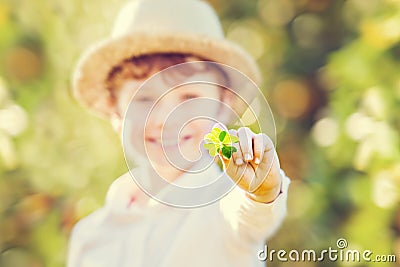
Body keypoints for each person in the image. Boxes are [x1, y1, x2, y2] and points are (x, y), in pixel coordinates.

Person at [68, 0, 290, 266]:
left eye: (189, 97)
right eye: (144, 99)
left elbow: (252, 216)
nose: (164, 120)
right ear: (116, 113)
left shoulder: (226, 211)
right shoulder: (92, 236)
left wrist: (260, 192)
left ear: (223, 107)